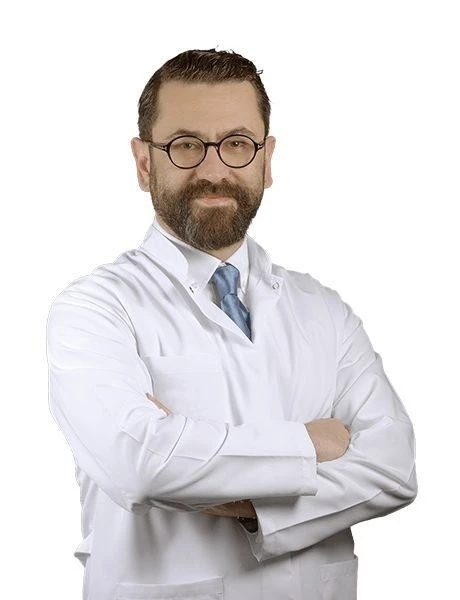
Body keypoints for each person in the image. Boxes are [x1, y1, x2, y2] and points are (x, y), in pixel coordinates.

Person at [46, 48, 417, 600]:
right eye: (185, 145)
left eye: (238, 144)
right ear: (145, 163)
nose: (214, 169)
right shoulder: (94, 309)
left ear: (266, 160)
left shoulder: (324, 309)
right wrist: (311, 443)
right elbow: (139, 464)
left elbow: (394, 468)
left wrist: (243, 501)